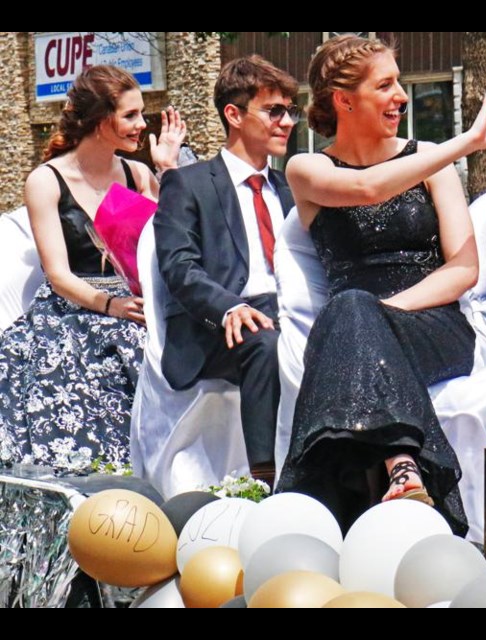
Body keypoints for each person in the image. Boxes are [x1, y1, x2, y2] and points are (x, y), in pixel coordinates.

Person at [275, 35, 486, 536]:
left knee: (357, 311)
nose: (402, 95)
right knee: (354, 310)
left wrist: (383, 313)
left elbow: (462, 271)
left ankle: (319, 507)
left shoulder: (430, 163)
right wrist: (464, 143)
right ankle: (404, 467)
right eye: (386, 85)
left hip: (433, 325)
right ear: (344, 100)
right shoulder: (306, 167)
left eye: (400, 82)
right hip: (348, 326)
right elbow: (367, 188)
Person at [0, 65, 184, 469]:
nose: (142, 124)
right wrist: (110, 306)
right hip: (74, 308)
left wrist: (167, 169)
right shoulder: (45, 181)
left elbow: (175, 243)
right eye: (130, 115)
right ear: (102, 121)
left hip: (138, 304)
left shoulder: (139, 175)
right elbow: (58, 275)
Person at [154, 56, 298, 485]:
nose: (287, 121)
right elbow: (178, 267)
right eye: (275, 111)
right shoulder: (189, 183)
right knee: (262, 338)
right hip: (219, 329)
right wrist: (229, 306)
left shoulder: (292, 189)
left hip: (289, 314)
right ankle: (265, 482)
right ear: (233, 115)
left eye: (292, 111)